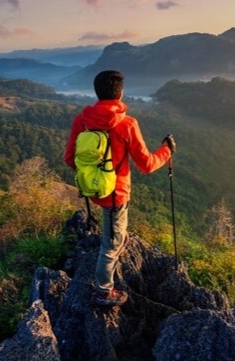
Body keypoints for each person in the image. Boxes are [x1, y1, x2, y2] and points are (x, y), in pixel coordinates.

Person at [64, 70, 176, 307]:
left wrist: (93, 177)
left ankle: (117, 240)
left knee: (114, 232)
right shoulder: (127, 124)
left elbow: (70, 158)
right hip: (117, 194)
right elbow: (146, 164)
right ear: (120, 93)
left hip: (94, 190)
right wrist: (166, 151)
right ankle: (103, 292)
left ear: (97, 92)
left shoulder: (82, 121)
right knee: (110, 245)